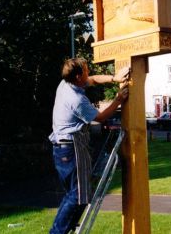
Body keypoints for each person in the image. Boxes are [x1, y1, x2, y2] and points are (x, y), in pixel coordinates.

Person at [49, 57, 129, 234]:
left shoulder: (66, 84)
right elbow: (100, 118)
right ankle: (57, 232)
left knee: (75, 195)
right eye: (85, 70)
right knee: (78, 195)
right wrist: (118, 100)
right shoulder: (75, 99)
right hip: (71, 148)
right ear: (78, 76)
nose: (88, 72)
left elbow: (93, 79)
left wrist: (115, 78)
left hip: (61, 148)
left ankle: (65, 229)